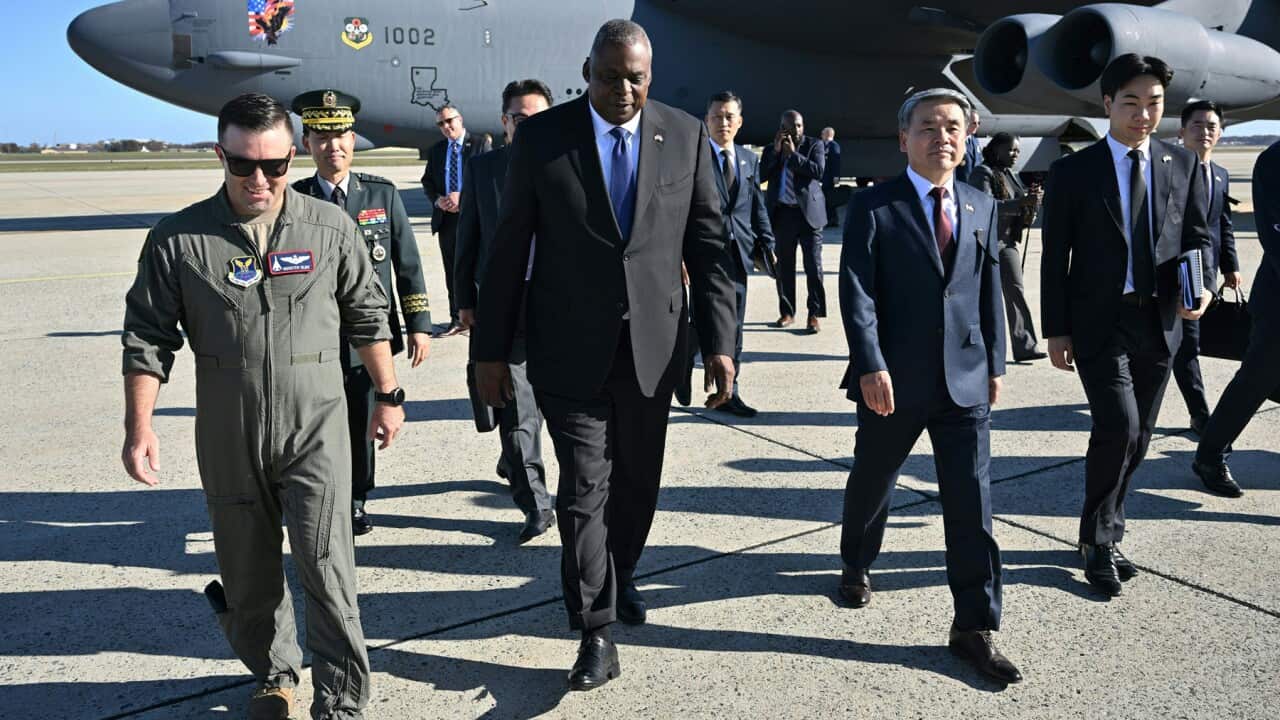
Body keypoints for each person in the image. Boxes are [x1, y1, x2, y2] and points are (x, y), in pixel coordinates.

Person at [121, 93, 406, 720]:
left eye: (274, 166)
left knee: (327, 568)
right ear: (220, 156)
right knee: (248, 576)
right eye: (244, 165)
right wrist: (139, 425)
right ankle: (275, 676)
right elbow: (147, 337)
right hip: (229, 430)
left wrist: (387, 396)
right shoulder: (179, 239)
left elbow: (368, 315)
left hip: (317, 426)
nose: (260, 180)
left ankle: (341, 701)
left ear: (291, 156)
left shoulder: (329, 229)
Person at [472, 19, 737, 691]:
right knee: (584, 489)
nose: (624, 89)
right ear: (587, 71)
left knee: (637, 488)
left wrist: (722, 346)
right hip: (568, 348)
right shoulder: (543, 137)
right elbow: (507, 251)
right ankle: (595, 629)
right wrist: (491, 352)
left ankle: (620, 577)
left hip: (654, 349)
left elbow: (708, 250)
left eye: (637, 77)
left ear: (651, 75)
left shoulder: (683, 134)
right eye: (610, 76)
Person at [837, 88, 1019, 685]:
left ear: (966, 137)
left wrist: (996, 359)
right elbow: (857, 292)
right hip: (892, 378)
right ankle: (856, 562)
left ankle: (974, 625)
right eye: (928, 126)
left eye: (952, 127)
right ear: (903, 138)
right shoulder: (874, 207)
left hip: (964, 380)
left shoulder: (978, 202)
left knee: (973, 503)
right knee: (873, 480)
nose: (942, 136)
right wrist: (869, 363)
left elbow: (988, 286)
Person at [1041, 54, 1212, 597]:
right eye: (1132, 102)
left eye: (1154, 103)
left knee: (1140, 437)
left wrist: (1201, 286)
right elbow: (1054, 257)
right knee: (1119, 427)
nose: (1143, 114)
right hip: (1099, 321)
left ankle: (1107, 528)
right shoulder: (1073, 171)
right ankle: (1096, 540)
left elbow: (1197, 237)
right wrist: (1056, 329)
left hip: (1161, 321)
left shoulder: (1179, 163)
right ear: (1108, 104)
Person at [292, 89, 431, 536]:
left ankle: (354, 498)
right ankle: (317, 495)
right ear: (307, 143)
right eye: (322, 137)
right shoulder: (295, 201)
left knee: (359, 423)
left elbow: (407, 266)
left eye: (342, 136)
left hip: (367, 342)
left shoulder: (380, 195)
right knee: (312, 425)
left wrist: (419, 326)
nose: (334, 147)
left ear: (354, 140)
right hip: (312, 339)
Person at [455, 78, 556, 542]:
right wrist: (465, 301)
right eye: (519, 118)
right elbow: (467, 238)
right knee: (516, 414)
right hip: (504, 307)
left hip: (560, 307)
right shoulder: (484, 170)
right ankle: (535, 503)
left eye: (537, 119)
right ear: (504, 122)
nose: (527, 125)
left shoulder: (568, 163)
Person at [1192, 141, 1280, 495]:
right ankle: (1209, 455)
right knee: (1255, 380)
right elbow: (1275, 235)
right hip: (1278, 303)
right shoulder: (1273, 161)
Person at [704, 90, 776, 418]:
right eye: (717, 116)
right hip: (703, 256)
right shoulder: (695, 157)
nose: (723, 122)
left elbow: (756, 205)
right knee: (697, 324)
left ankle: (731, 390)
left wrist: (767, 244)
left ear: (739, 122)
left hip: (739, 255)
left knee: (734, 327)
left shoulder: (748, 159)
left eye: (729, 116)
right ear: (707, 121)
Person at [1175, 100, 1242, 440]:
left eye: (1212, 126)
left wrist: (1231, 266)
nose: (1205, 132)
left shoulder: (1219, 174)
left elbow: (1223, 224)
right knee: (1187, 343)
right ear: (1182, 131)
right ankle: (1200, 414)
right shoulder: (1168, 172)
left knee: (1190, 341)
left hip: (1208, 270)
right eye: (1198, 125)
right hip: (1177, 270)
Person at [969, 132, 1047, 361]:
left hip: (1007, 243)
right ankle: (979, 347)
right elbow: (985, 205)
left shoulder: (1009, 175)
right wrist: (1021, 202)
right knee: (984, 297)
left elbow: (1021, 213)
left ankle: (1025, 347)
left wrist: (1032, 204)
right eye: (1011, 150)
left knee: (1016, 292)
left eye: (1017, 151)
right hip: (986, 243)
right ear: (997, 150)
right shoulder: (982, 173)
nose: (1015, 155)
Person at [761, 109, 827, 333]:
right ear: (782, 128)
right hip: (783, 214)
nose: (796, 131)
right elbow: (761, 176)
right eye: (791, 127)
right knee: (784, 267)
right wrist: (778, 153)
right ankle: (787, 312)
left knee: (813, 267)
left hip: (808, 214)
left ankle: (814, 314)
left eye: (799, 126)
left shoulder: (814, 145)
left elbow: (818, 171)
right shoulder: (773, 149)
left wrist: (793, 156)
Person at [421, 105, 485, 337]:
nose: (446, 127)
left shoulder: (479, 144)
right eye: (441, 123)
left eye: (450, 121)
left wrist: (463, 196)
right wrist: (438, 200)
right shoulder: (437, 150)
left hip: (475, 219)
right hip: (447, 220)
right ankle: (456, 318)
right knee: (453, 272)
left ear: (460, 119)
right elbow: (427, 181)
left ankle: (480, 315)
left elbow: (486, 179)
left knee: (477, 268)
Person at [821, 126, 843, 228]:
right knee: (828, 199)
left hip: (829, 178)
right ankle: (832, 219)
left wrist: (836, 176)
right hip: (825, 178)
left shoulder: (834, 146)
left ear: (827, 134)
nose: (821, 135)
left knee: (829, 199)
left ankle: (831, 220)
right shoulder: (825, 145)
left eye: (823, 133)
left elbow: (836, 162)